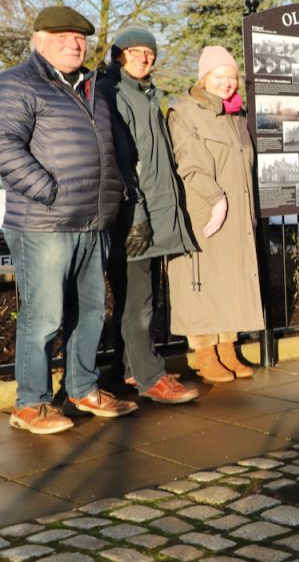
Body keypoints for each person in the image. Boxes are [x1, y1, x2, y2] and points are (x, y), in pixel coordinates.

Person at [0, 6, 138, 434]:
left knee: (91, 312)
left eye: (79, 38)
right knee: (43, 317)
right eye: (61, 36)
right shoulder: (17, 83)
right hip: (44, 223)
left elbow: (109, 147)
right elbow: (4, 145)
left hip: (93, 221)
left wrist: (114, 193)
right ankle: (31, 403)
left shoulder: (95, 87)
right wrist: (50, 191)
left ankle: (82, 387)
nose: (73, 43)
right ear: (38, 39)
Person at [98, 22, 200, 404]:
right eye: (135, 51)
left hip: (154, 213)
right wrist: (137, 213)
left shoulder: (146, 95)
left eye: (150, 53)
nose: (144, 57)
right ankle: (150, 376)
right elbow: (123, 162)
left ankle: (127, 370)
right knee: (138, 302)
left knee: (138, 299)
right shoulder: (113, 94)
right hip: (133, 216)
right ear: (119, 55)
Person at [167, 46, 264, 382]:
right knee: (202, 281)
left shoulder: (236, 117)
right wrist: (216, 199)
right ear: (203, 78)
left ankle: (227, 347)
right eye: (219, 77)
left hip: (237, 211)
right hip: (205, 209)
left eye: (232, 77)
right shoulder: (184, 112)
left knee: (231, 280)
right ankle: (204, 351)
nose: (227, 83)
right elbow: (189, 162)